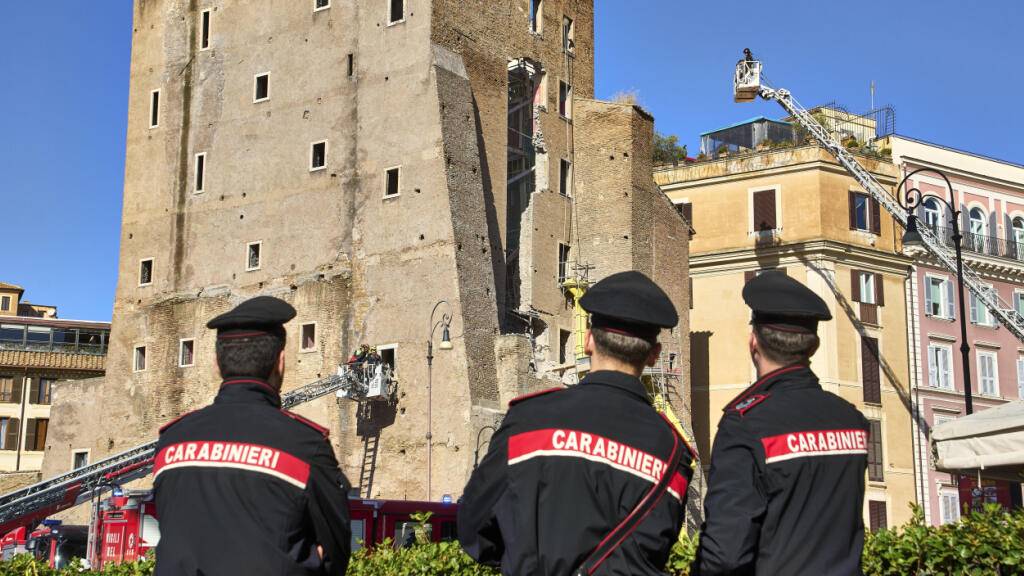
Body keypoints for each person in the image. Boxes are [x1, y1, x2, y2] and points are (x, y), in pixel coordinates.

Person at [459, 270, 695, 575]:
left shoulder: (528, 421)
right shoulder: (672, 453)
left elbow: (473, 527)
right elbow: (658, 546)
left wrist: (524, 557)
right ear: (653, 355)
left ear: (587, 341)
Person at [153, 296, 351, 576]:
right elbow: (336, 551)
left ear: (216, 364)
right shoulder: (305, 446)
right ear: (280, 362)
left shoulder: (171, 442)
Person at [693, 271, 870, 575]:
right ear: (813, 347)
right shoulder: (851, 420)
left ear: (754, 343)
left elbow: (725, 554)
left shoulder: (746, 423)